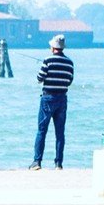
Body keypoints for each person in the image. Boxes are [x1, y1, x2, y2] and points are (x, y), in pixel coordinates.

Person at [31, 33, 75, 169]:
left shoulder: (47, 60)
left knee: (42, 130)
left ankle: (37, 162)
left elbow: (39, 78)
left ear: (53, 47)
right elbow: (69, 81)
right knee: (60, 133)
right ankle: (58, 163)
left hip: (48, 98)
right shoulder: (69, 62)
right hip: (62, 98)